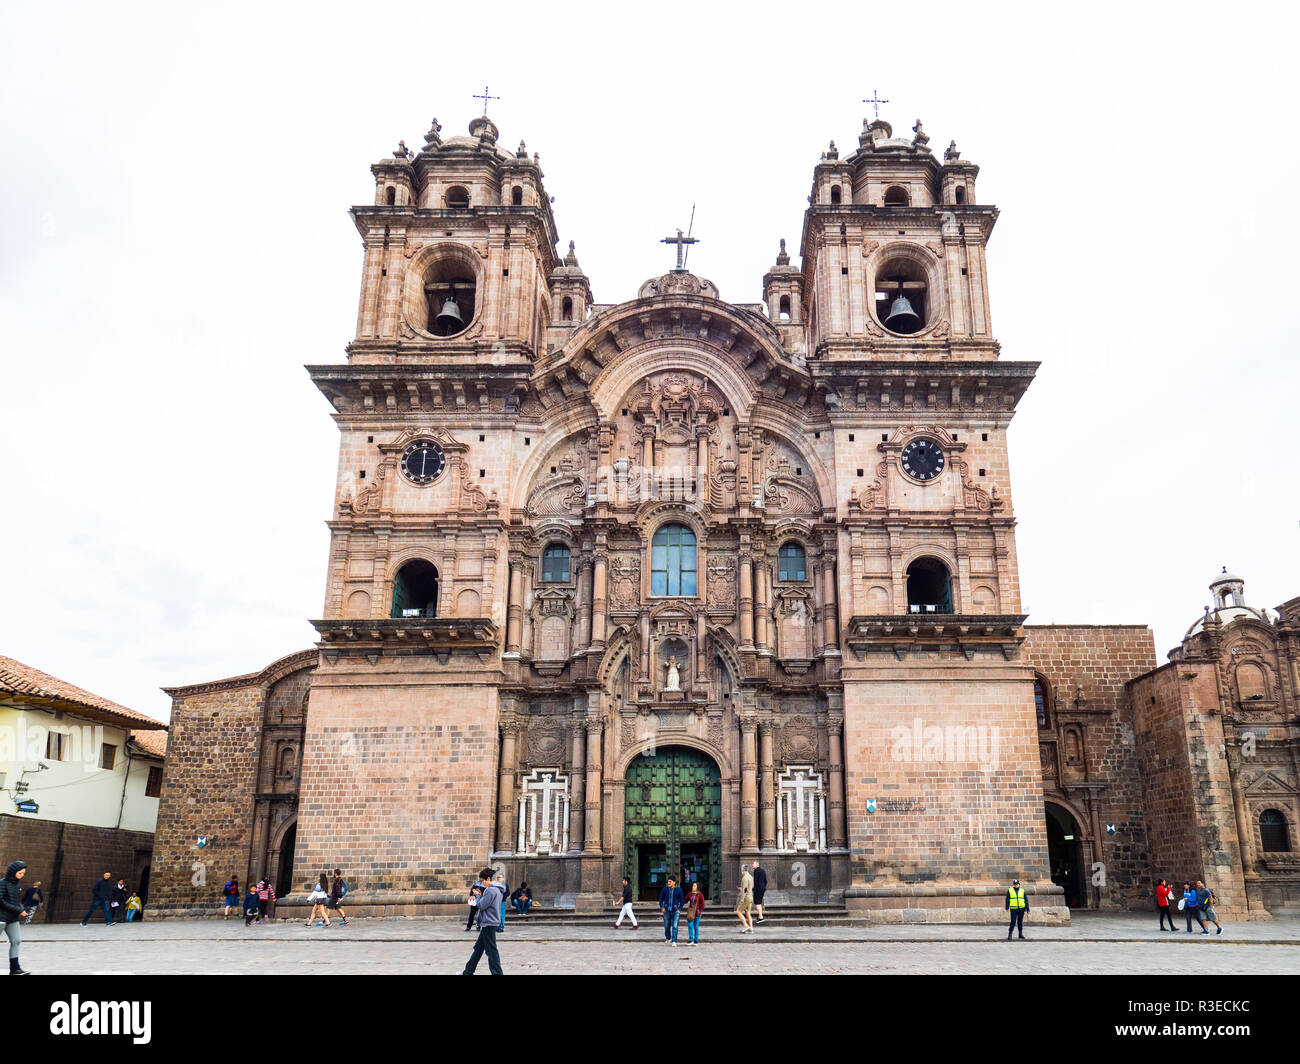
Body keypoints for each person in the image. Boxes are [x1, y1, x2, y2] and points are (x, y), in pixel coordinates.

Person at [462, 867, 504, 975]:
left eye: (482, 881)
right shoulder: (497, 889)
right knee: (478, 949)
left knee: (491, 951)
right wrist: (481, 895)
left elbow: (481, 905)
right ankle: (467, 972)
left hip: (488, 922)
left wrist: (476, 896)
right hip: (490, 922)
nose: (482, 884)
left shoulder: (490, 890)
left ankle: (497, 973)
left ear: (488, 878)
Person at [0, 860, 31, 975]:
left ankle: (15, 969)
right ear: (13, 872)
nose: (22, 876)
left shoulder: (17, 884)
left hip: (12, 919)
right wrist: (19, 910)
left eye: (23, 873)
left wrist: (22, 908)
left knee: (16, 941)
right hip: (1, 918)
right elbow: (1, 901)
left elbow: (17, 901)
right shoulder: (2, 883)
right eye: (20, 873)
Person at [658, 875, 684, 945]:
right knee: (666, 926)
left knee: (675, 926)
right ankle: (668, 938)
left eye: (670, 881)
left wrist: (679, 909)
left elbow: (682, 900)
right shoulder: (665, 889)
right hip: (666, 911)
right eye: (668, 881)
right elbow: (660, 899)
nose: (668, 883)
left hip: (675, 911)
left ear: (674, 882)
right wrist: (662, 907)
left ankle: (674, 940)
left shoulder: (679, 890)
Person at [683, 881, 705, 946]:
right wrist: (680, 903)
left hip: (697, 913)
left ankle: (696, 941)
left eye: (695, 886)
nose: (693, 887)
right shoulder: (690, 894)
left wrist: (700, 911)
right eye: (693, 886)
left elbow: (703, 904)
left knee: (696, 927)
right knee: (690, 925)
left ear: (697, 887)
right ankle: (691, 940)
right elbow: (685, 900)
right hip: (691, 913)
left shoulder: (700, 894)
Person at [735, 864, 754, 933]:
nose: (741, 870)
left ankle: (746, 925)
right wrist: (742, 888)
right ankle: (751, 929)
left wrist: (742, 899)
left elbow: (745, 890)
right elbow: (751, 887)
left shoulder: (744, 878)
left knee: (738, 911)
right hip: (750, 896)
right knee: (748, 913)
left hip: (746, 897)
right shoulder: (751, 877)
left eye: (741, 869)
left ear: (743, 869)